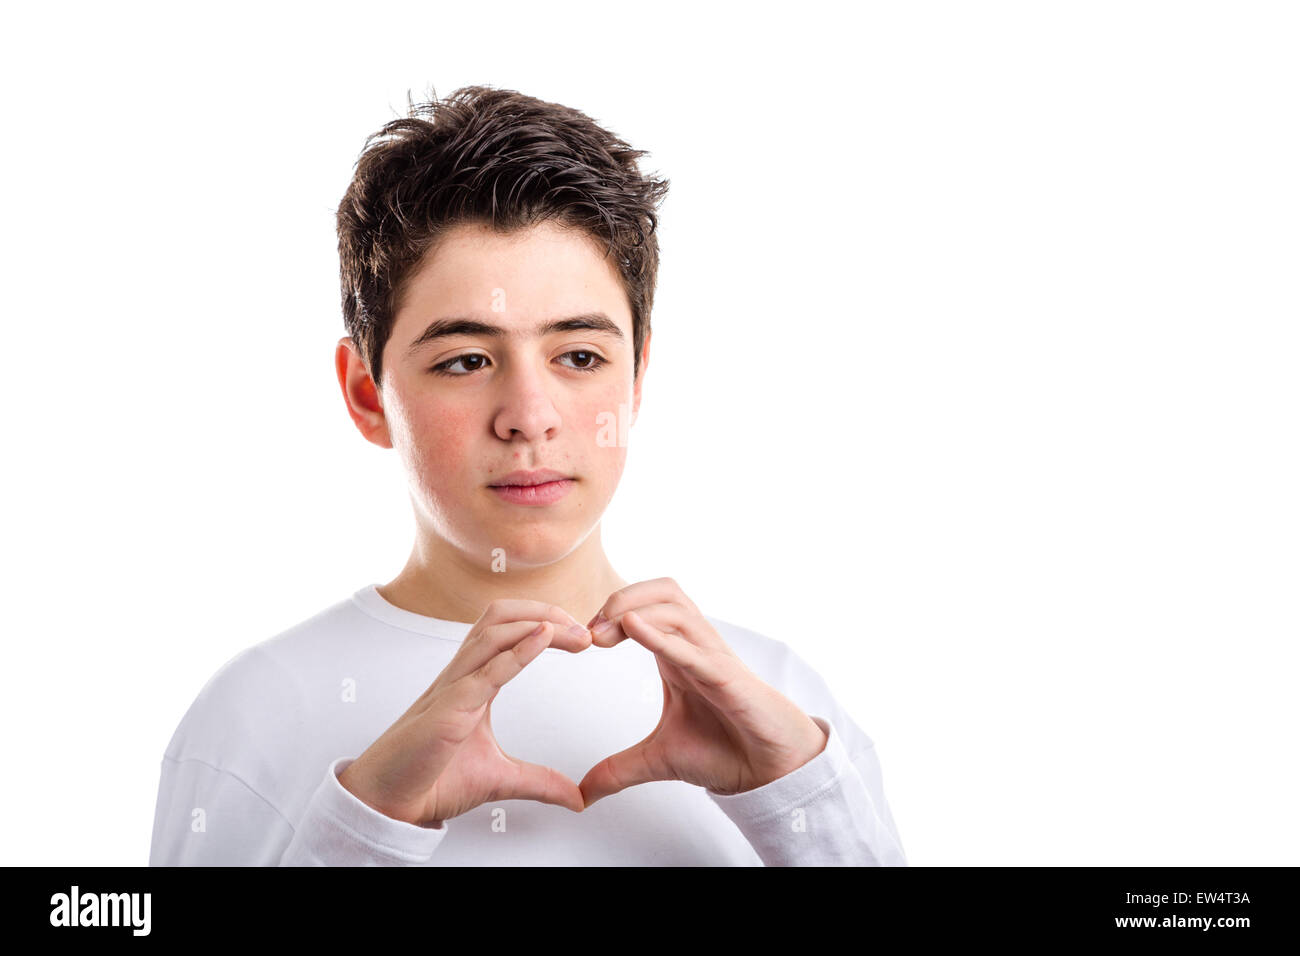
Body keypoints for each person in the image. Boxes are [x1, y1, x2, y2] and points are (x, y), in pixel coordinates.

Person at [148, 84, 907, 866]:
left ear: (636, 379)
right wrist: (367, 826)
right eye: (466, 360)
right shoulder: (258, 711)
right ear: (366, 394)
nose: (528, 416)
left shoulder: (780, 702)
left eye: (579, 356)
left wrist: (801, 802)